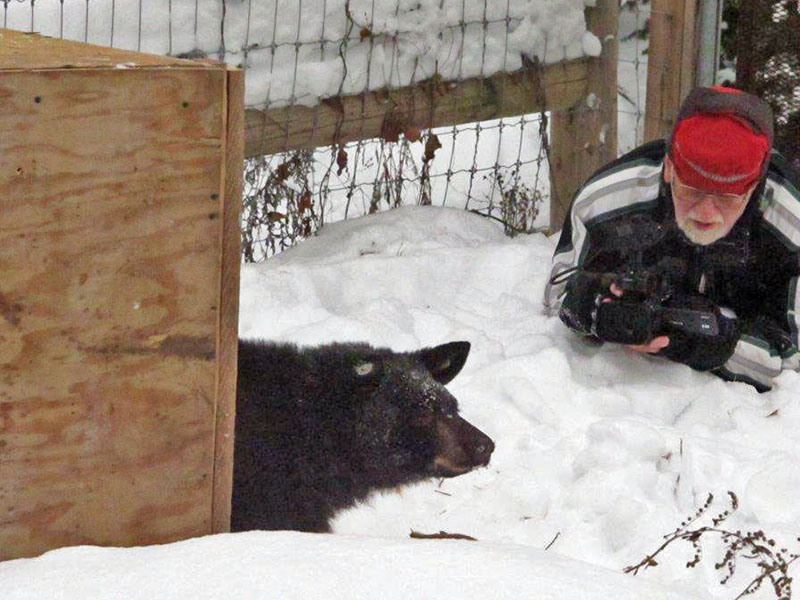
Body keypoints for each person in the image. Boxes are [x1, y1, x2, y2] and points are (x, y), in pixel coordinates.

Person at [543, 85, 800, 392]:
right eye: (691, 190)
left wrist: (721, 345)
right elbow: (557, 294)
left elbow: (794, 359)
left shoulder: (791, 225)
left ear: (754, 186)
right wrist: (596, 304)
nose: (706, 213)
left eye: (726, 198)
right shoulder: (606, 201)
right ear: (668, 168)